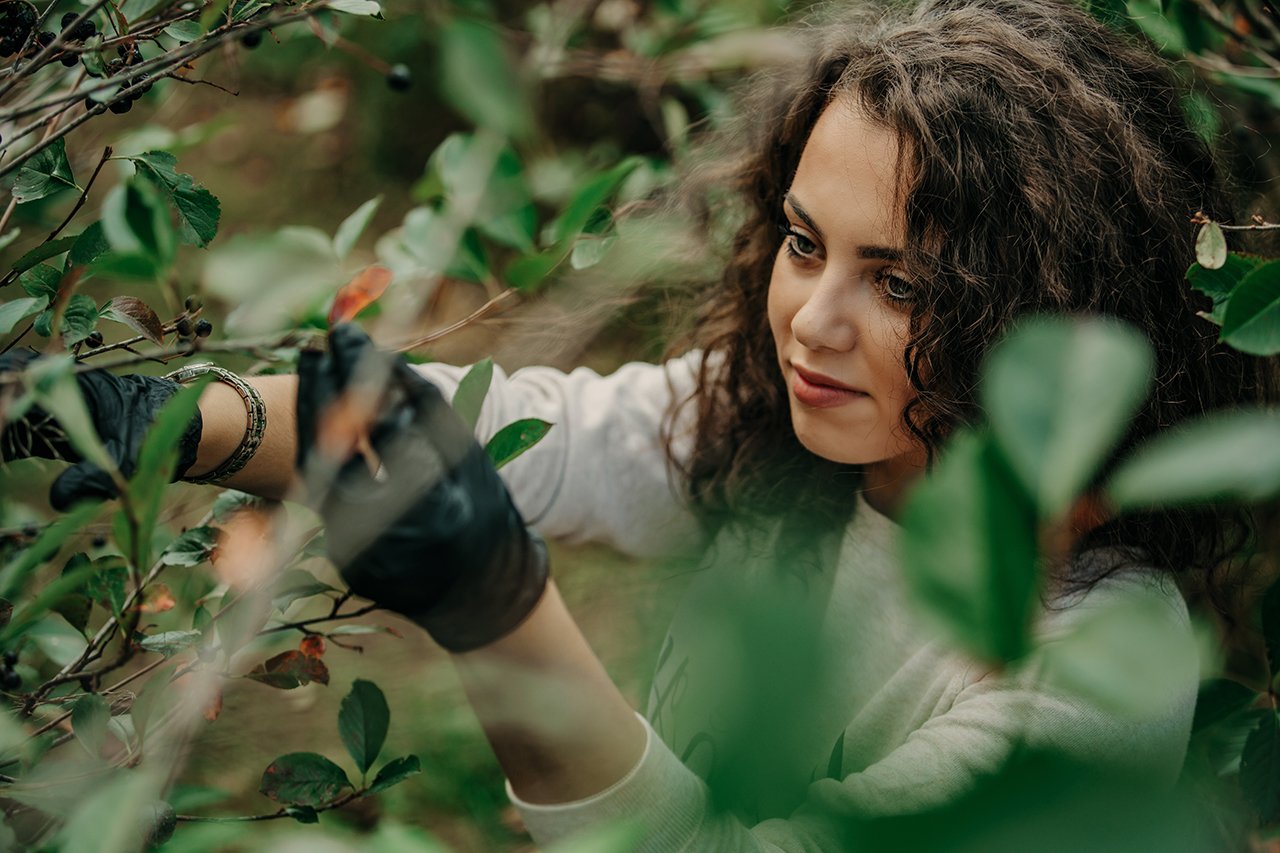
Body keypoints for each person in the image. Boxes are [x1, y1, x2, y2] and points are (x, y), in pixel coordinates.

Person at [2, 0, 1277, 848]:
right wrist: (157, 417)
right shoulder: (779, 424)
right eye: (802, 244)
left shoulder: (1093, 664)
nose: (810, 323)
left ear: (1049, 312)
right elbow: (515, 430)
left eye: (899, 284)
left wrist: (500, 616)